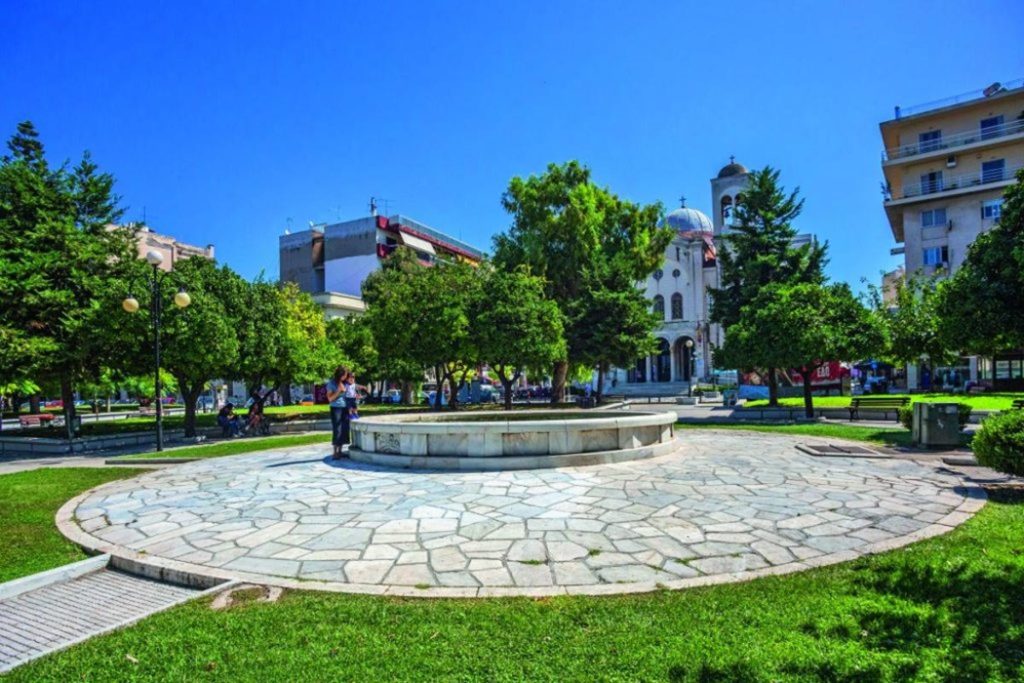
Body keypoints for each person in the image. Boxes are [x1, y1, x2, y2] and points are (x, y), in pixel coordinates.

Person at [326, 366, 349, 458]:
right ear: (341, 375)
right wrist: (339, 391)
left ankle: (340, 451)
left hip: (344, 408)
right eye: (345, 374)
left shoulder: (343, 383)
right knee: (337, 430)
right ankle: (335, 452)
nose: (346, 376)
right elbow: (330, 398)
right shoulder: (331, 383)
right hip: (336, 409)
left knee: (344, 429)